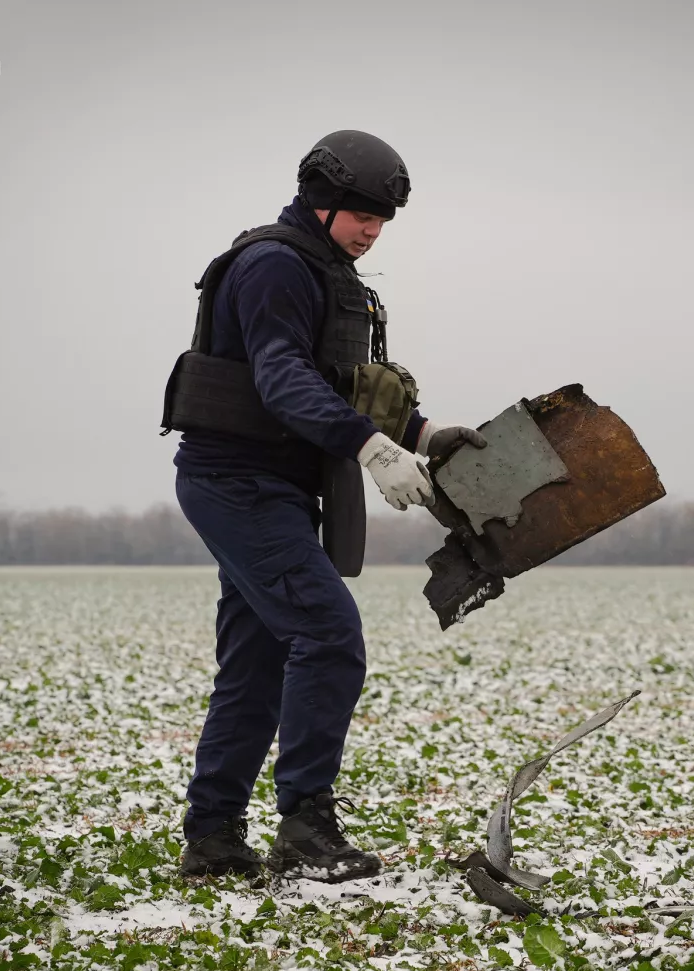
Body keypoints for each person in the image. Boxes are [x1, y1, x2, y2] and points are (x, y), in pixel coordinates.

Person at [171, 130, 485, 883]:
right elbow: (282, 380)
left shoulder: (330, 272)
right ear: (320, 198)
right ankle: (305, 824)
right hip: (236, 480)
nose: (372, 227)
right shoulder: (275, 266)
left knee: (257, 659)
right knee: (328, 632)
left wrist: (421, 433)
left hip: (275, 485)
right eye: (361, 211)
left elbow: (342, 383)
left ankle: (212, 837)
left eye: (382, 217)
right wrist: (370, 450)